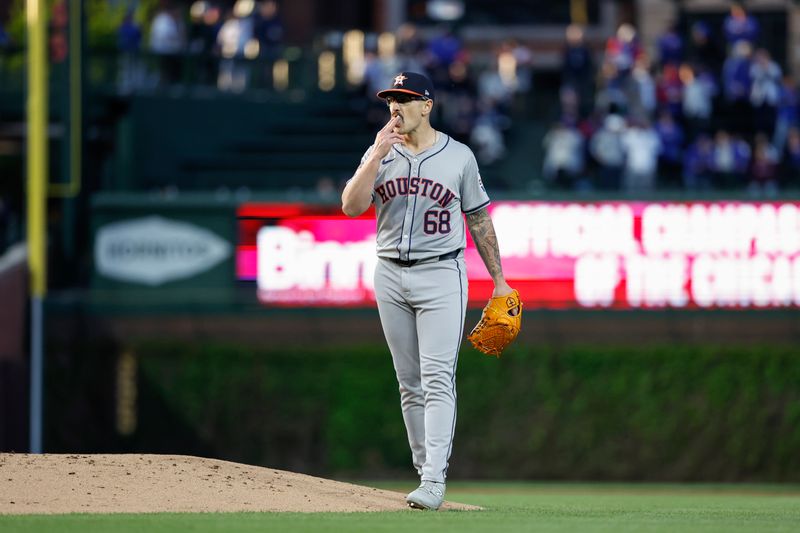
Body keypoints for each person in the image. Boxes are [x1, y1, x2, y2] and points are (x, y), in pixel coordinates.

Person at [341, 72, 516, 511]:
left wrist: (499, 281)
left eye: (404, 99)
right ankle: (425, 472)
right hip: (389, 273)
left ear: (427, 105)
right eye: (390, 101)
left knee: (438, 377)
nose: (395, 108)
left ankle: (435, 479)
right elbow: (350, 206)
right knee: (409, 383)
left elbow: (479, 220)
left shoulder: (458, 157)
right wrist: (377, 153)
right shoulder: (381, 151)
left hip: (441, 274)